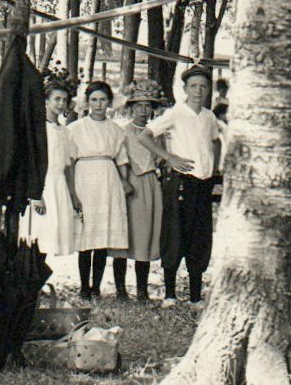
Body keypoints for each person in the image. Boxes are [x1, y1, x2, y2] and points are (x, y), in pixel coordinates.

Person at [147, 65, 220, 306]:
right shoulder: (175, 113)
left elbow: (215, 142)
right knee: (174, 234)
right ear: (184, 89)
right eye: (193, 86)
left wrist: (215, 169)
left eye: (203, 86)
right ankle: (169, 294)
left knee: (198, 236)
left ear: (208, 89)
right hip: (180, 181)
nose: (198, 91)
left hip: (203, 183)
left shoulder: (209, 116)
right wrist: (169, 157)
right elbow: (145, 136)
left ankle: (195, 295)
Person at [68, 81, 131, 300]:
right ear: (87, 102)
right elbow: (69, 160)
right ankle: (84, 286)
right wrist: (73, 193)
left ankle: (96, 287)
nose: (98, 104)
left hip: (108, 179)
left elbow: (121, 158)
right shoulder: (75, 128)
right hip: (85, 178)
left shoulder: (115, 130)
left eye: (102, 100)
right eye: (94, 100)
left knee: (102, 237)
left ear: (109, 102)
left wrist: (124, 181)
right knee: (86, 236)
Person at [111, 81, 171, 301]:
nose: (143, 111)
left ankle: (142, 289)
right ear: (131, 107)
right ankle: (119, 289)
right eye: (139, 106)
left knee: (144, 234)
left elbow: (163, 158)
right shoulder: (122, 132)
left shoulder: (156, 133)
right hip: (128, 182)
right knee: (125, 234)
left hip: (149, 183)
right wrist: (123, 180)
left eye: (148, 106)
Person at [21, 78, 79, 258]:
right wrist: (35, 195)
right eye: (57, 99)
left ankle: (37, 280)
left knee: (51, 235)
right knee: (36, 235)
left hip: (58, 186)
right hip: (41, 186)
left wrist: (72, 194)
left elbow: (68, 166)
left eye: (64, 100)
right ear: (46, 101)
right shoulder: (38, 129)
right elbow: (29, 162)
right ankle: (26, 282)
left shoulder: (65, 132)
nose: (61, 104)